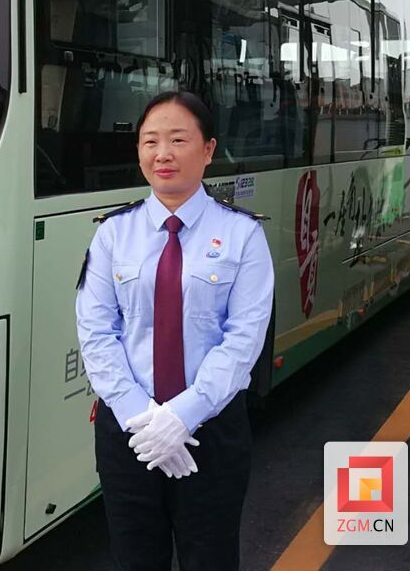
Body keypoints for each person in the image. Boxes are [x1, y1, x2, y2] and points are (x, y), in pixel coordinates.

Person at [75, 91, 274, 571]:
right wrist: (143, 418)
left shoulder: (243, 235)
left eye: (178, 140)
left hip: (211, 432)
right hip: (129, 434)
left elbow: (243, 339)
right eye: (150, 141)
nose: (162, 153)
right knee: (135, 559)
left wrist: (183, 417)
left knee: (211, 559)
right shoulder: (112, 233)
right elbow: (97, 332)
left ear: (208, 150)